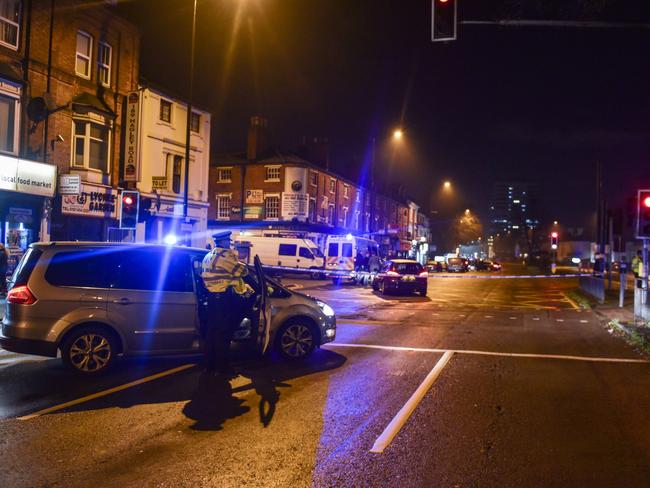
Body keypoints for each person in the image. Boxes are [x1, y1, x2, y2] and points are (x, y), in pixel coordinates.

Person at [200, 232, 255, 375]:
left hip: (212, 299)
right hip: (222, 299)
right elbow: (243, 271)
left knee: (212, 333)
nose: (229, 243)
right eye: (228, 241)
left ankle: (209, 365)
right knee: (222, 334)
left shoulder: (209, 255)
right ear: (223, 242)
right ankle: (222, 367)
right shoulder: (225, 257)